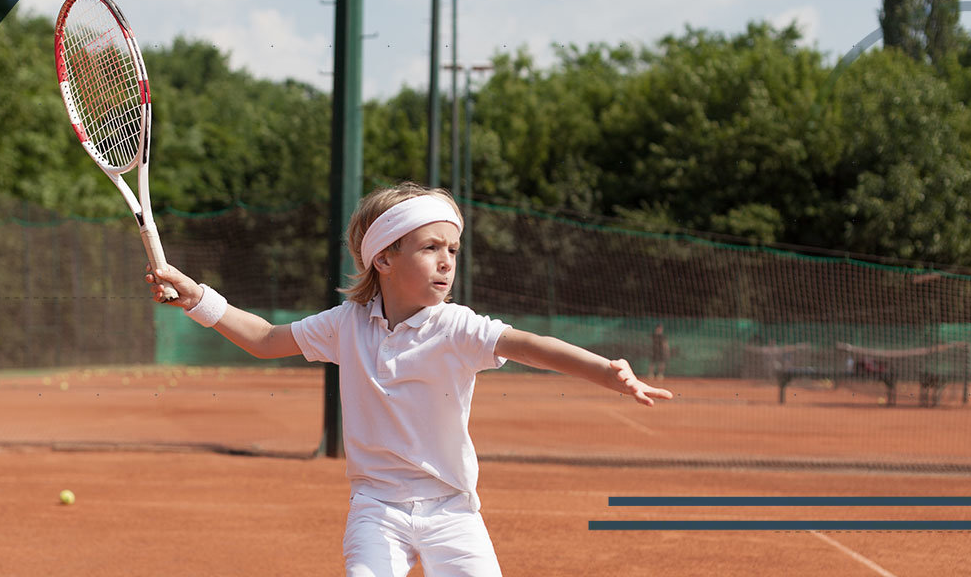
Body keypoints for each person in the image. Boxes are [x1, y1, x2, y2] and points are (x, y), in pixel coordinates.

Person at [145, 182, 673, 576]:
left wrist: (605, 370)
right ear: (385, 258)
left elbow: (530, 346)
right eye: (430, 248)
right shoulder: (346, 323)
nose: (446, 262)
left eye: (452, 249)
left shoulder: (458, 326)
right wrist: (196, 298)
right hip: (376, 507)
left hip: (453, 510)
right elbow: (264, 339)